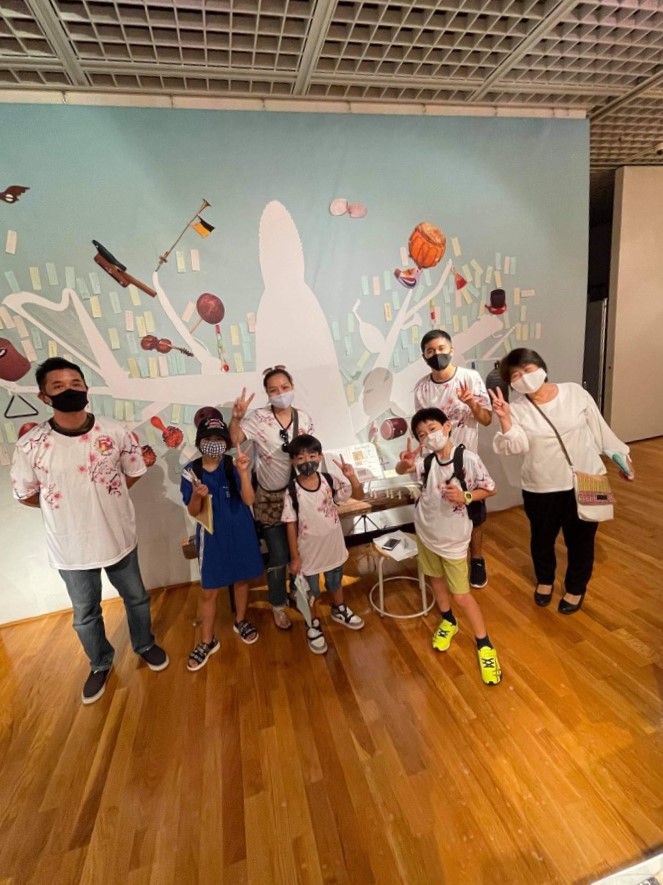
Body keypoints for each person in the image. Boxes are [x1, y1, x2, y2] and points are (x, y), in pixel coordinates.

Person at [10, 357, 169, 705]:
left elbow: (133, 471)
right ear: (43, 396)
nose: (69, 390)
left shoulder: (115, 433)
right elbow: (25, 494)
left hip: (118, 536)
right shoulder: (30, 446)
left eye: (76, 384)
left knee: (136, 598)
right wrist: (63, 507)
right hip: (70, 547)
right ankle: (100, 662)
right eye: (58, 386)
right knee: (85, 614)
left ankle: (144, 644)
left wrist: (108, 495)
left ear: (86, 388)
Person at [490, 348, 634, 614]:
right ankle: (545, 580)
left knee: (583, 540)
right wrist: (506, 421)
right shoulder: (517, 408)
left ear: (542, 368)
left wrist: (621, 457)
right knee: (542, 538)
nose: (524, 377)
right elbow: (516, 446)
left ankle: (576, 587)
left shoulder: (574, 392)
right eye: (516, 375)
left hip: (590, 477)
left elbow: (599, 428)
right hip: (541, 484)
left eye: (527, 370)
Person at [396, 407, 502, 685]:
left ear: (447, 426)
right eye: (422, 434)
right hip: (426, 533)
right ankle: (448, 621)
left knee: (462, 595)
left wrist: (465, 495)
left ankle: (484, 644)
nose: (428, 436)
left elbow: (490, 488)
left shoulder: (468, 459)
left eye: (432, 429)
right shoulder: (427, 462)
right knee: (435, 580)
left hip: (454, 540)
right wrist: (404, 464)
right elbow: (403, 469)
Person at [229, 366, 314, 631]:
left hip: (298, 495)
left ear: (292, 387)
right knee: (278, 554)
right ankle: (277, 604)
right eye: (273, 390)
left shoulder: (305, 418)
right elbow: (234, 440)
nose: (280, 393)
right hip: (269, 498)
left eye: (285, 387)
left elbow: (310, 454)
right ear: (267, 393)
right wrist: (236, 419)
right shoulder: (259, 418)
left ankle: (297, 591)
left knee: (300, 550)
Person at [180, 415, 264, 671]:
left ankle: (241, 620)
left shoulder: (233, 464)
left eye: (219, 438)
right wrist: (197, 495)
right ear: (199, 442)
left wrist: (243, 473)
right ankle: (207, 640)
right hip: (211, 537)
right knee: (209, 590)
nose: (214, 443)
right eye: (208, 438)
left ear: (226, 442)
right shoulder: (191, 471)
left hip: (241, 531)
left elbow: (249, 500)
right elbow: (193, 511)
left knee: (242, 579)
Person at [413, 329, 492, 589]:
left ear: (451, 349)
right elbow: (422, 428)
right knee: (443, 511)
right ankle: (444, 558)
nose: (437, 354)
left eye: (441, 348)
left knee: (473, 513)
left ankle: (476, 559)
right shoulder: (422, 388)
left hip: (466, 460)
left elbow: (486, 419)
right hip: (436, 463)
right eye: (430, 351)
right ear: (424, 356)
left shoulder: (470, 378)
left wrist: (471, 403)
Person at [282, 434, 365, 654]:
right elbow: (290, 524)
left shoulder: (329, 480)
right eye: (300, 458)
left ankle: (339, 608)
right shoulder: (292, 490)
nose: (307, 461)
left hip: (333, 547)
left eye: (312, 456)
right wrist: (295, 557)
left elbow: (358, 495)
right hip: (308, 553)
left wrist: (352, 477)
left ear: (319, 457)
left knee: (335, 581)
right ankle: (313, 622)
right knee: (310, 591)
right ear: (293, 461)